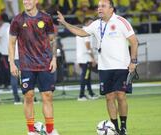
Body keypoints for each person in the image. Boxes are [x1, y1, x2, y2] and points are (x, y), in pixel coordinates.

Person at [57, 0, 138, 134]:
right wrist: (65, 23)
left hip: (122, 66)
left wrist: (133, 61)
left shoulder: (121, 21)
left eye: (103, 6)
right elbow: (81, 32)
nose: (99, 9)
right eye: (98, 6)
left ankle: (123, 127)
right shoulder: (96, 24)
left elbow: (134, 41)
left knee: (121, 96)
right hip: (104, 67)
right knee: (109, 97)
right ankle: (114, 128)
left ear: (111, 9)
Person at [8, 0, 59, 135]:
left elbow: (53, 40)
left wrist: (54, 58)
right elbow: (11, 43)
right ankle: (31, 131)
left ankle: (50, 130)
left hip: (44, 63)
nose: (26, 1)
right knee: (28, 96)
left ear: (36, 1)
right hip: (26, 65)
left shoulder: (46, 18)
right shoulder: (17, 20)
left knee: (47, 96)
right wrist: (12, 63)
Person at [76, 17, 98, 101]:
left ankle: (90, 93)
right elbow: (87, 45)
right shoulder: (86, 31)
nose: (93, 24)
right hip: (86, 58)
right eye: (91, 22)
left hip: (82, 58)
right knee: (85, 77)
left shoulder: (80, 31)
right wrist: (93, 58)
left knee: (87, 77)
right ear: (86, 23)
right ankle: (81, 95)